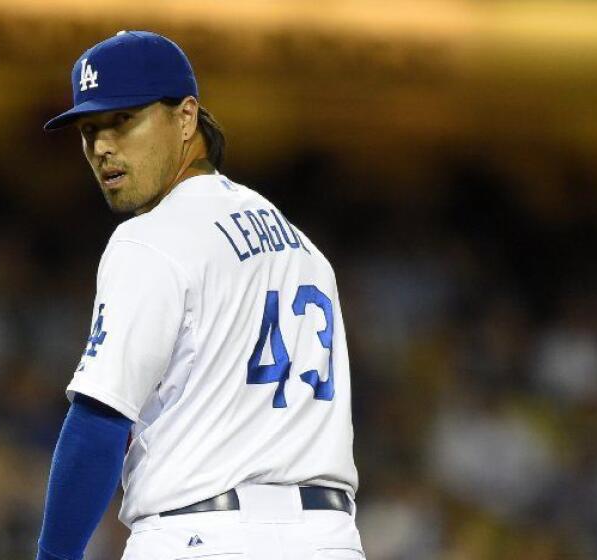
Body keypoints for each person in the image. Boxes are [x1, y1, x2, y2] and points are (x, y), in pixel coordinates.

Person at [36, 30, 364, 560]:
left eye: (124, 120)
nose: (101, 146)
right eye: (89, 129)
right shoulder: (303, 248)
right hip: (329, 540)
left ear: (186, 117)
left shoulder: (151, 237)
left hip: (202, 538)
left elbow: (99, 423)